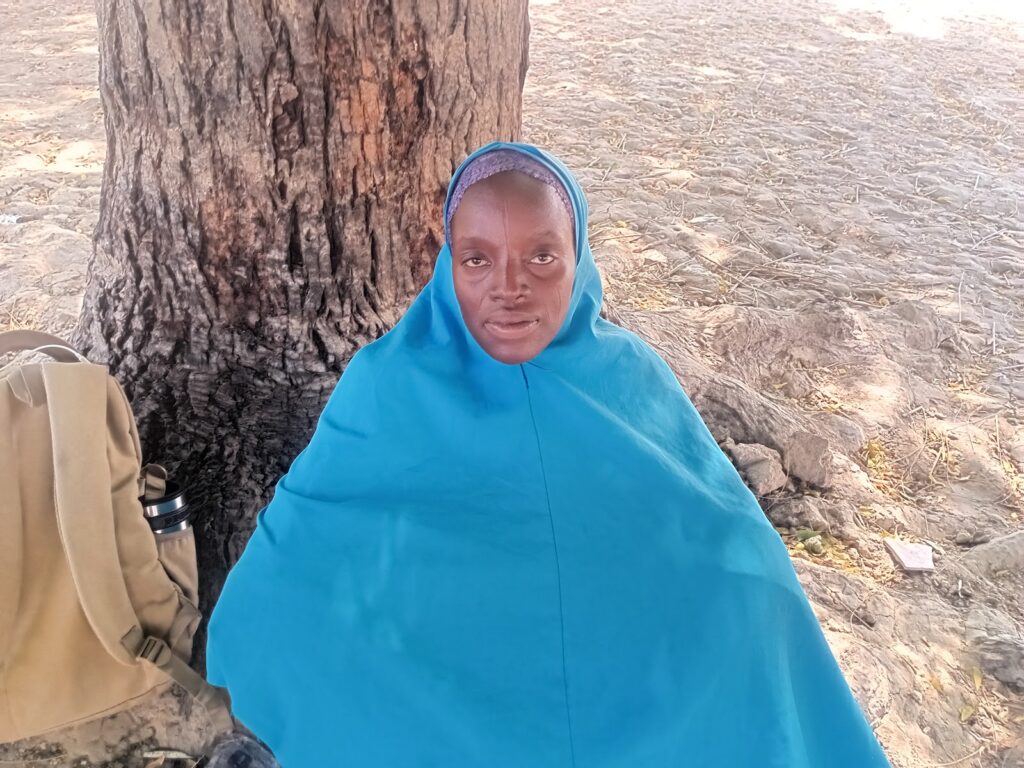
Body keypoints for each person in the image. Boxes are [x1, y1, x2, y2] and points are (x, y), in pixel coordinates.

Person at [206, 142, 892, 767]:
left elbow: (723, 534)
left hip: (632, 696)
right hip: (443, 700)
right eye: (479, 259)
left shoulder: (631, 376)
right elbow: (286, 580)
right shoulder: (388, 382)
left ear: (580, 257)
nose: (510, 288)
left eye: (541, 256)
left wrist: (743, 596)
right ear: (449, 265)